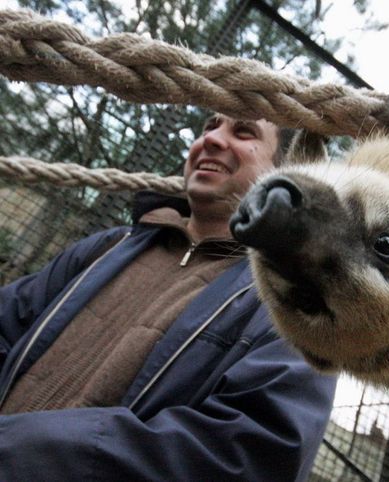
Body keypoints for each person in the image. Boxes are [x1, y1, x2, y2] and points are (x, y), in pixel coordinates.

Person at [0, 113, 337, 480]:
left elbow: (254, 453)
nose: (212, 140)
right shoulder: (110, 246)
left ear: (288, 172)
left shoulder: (290, 307)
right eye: (210, 127)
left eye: (243, 131)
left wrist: (24, 450)